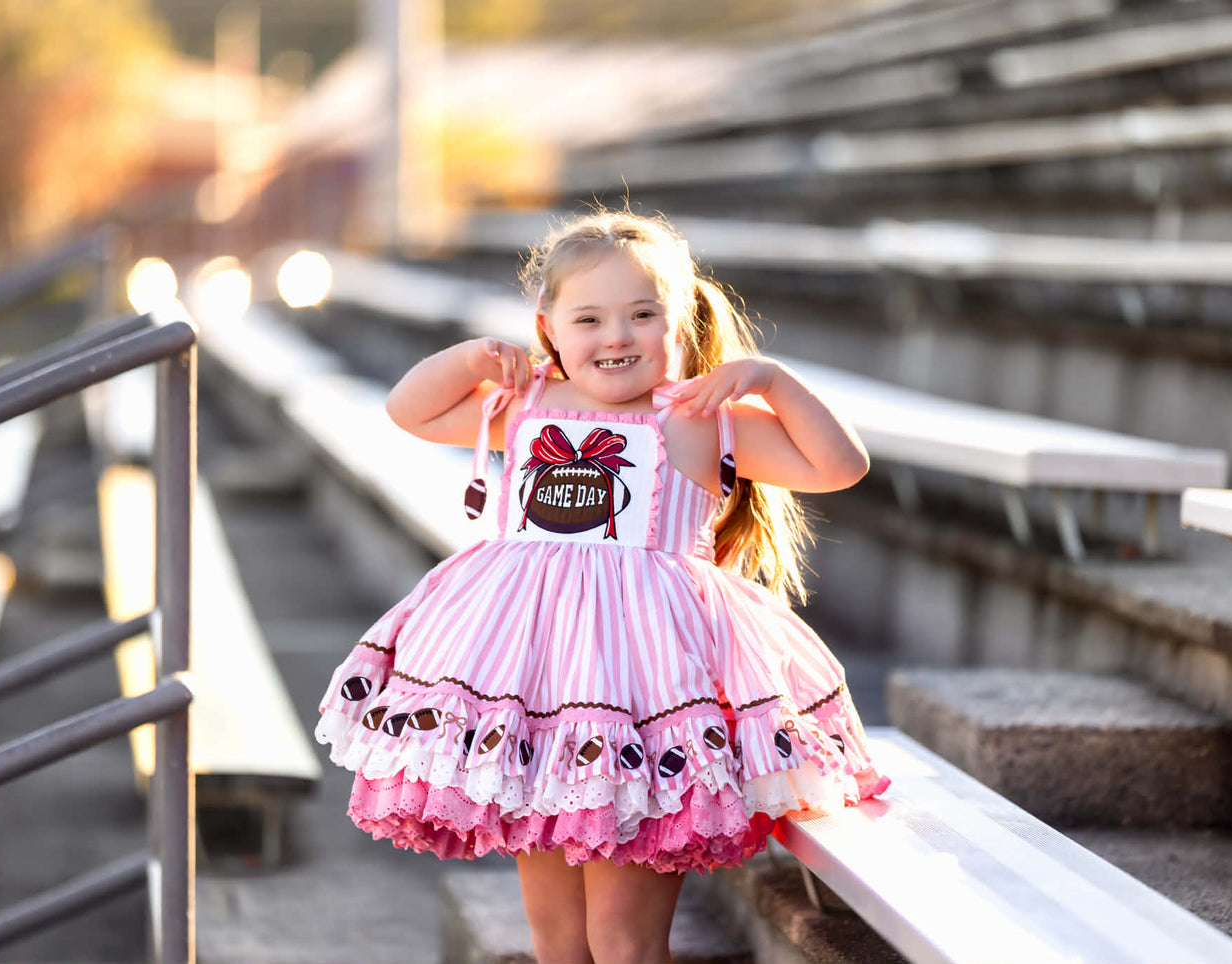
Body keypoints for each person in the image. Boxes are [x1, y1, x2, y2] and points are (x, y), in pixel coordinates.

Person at [317, 209, 889, 964]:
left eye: (641, 315)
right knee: (555, 938)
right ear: (547, 328)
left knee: (623, 939)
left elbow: (838, 466)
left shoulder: (697, 418)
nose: (615, 336)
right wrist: (472, 359)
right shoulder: (523, 407)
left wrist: (771, 382)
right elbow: (407, 410)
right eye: (588, 318)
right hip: (531, 694)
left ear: (679, 323)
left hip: (646, 699)